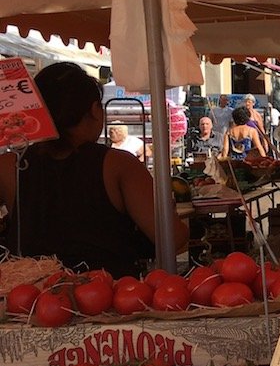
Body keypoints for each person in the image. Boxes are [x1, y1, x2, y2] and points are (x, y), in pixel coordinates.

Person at [0, 62, 187, 278]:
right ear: (94, 110)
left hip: (33, 302)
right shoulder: (118, 165)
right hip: (108, 298)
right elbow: (172, 239)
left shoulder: (9, 166)